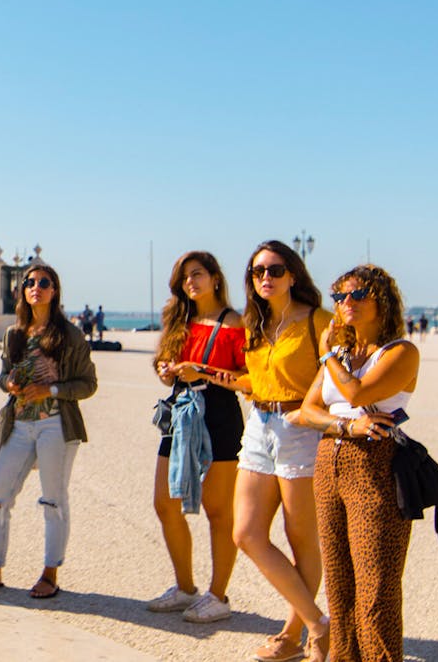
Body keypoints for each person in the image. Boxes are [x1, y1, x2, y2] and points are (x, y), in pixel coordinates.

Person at [290, 265, 418, 661]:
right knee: (340, 588)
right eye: (340, 297)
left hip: (376, 467)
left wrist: (327, 354)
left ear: (382, 300)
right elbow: (307, 411)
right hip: (330, 463)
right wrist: (347, 424)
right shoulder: (343, 355)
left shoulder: (400, 351)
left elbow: (358, 390)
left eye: (358, 294)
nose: (346, 303)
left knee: (376, 588)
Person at [213, 241, 332, 662]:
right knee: (245, 534)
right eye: (257, 271)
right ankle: (319, 622)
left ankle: (293, 633)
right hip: (258, 426)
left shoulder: (320, 321)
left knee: (302, 541)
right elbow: (256, 380)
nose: (266, 277)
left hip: (301, 430)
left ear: (293, 274)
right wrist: (219, 376)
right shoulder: (254, 324)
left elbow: (336, 378)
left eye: (276, 269)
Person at [0, 263, 97, 599]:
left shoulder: (71, 335)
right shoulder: (14, 334)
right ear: (22, 290)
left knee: (53, 500)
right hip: (18, 425)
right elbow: (2, 375)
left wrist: (50, 391)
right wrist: (9, 383)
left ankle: (50, 573)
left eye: (45, 282)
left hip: (56, 425)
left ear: (55, 290)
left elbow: (88, 384)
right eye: (30, 282)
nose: (37, 287)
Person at [146, 252, 247, 623]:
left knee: (218, 511)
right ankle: (185, 587)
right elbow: (167, 368)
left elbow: (248, 378)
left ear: (216, 278)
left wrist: (202, 370)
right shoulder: (178, 319)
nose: (191, 282)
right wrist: (165, 369)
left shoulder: (235, 322)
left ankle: (218, 595)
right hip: (179, 411)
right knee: (164, 503)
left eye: (198, 274)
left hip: (219, 413)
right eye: (185, 277)